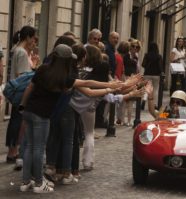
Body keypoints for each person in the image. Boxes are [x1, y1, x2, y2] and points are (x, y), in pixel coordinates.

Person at [19, 44, 124, 193]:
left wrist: (22, 105)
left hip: (29, 110)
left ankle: (25, 182)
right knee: (38, 148)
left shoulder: (42, 69)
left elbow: (30, 87)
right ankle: (38, 183)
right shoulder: (64, 77)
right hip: (42, 115)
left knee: (29, 147)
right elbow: (88, 84)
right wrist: (110, 85)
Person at [6, 26, 38, 164]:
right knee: (17, 121)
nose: (34, 41)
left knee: (14, 120)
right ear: (28, 37)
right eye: (33, 38)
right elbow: (23, 75)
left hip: (15, 89)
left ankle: (11, 150)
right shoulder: (22, 52)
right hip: (21, 90)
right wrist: (34, 67)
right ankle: (14, 151)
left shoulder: (16, 49)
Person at [142, 42, 163, 107]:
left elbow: (143, 64)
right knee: (155, 89)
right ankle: (155, 104)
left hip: (147, 74)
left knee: (146, 88)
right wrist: (160, 72)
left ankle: (144, 101)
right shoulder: (159, 56)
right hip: (156, 75)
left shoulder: (146, 55)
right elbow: (160, 67)